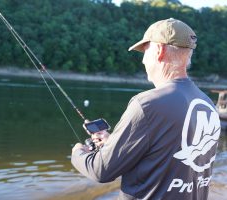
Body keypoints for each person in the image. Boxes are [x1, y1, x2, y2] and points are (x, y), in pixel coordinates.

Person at [71, 18, 221, 200]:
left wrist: (78, 152)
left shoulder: (147, 104)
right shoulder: (207, 103)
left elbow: (100, 170)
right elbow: (168, 157)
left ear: (159, 50)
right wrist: (117, 143)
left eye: (145, 51)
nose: (143, 60)